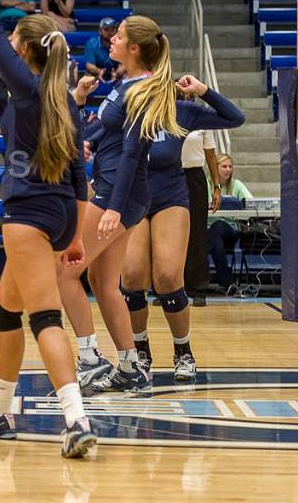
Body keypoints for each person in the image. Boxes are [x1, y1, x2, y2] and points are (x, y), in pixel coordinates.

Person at [0, 0, 96, 457]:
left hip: (30, 213)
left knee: (43, 317)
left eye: (13, 46)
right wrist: (78, 236)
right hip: (61, 212)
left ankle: (76, 420)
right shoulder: (63, 97)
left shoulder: (30, 86)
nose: (4, 49)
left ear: (23, 52)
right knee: (3, 309)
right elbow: (82, 177)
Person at [56, 12, 183, 396]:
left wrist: (112, 208)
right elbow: (104, 134)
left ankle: (90, 359)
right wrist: (80, 110)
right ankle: (129, 366)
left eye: (119, 36)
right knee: (102, 281)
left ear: (134, 48)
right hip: (117, 189)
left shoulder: (141, 90)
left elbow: (132, 153)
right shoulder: (125, 83)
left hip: (117, 190)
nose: (110, 39)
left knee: (64, 270)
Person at [117, 77, 244, 384]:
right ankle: (141, 352)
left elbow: (235, 117)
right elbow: (96, 140)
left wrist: (203, 90)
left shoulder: (182, 110)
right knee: (132, 277)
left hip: (170, 194)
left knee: (168, 277)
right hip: (132, 195)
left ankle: (183, 352)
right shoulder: (125, 106)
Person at [182, 117, 222, 307]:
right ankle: (170, 287)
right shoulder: (163, 111)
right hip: (169, 176)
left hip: (195, 178)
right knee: (170, 235)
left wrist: (216, 187)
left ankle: (198, 288)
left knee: (197, 234)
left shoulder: (201, 118)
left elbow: (211, 157)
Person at [207, 154, 253, 293]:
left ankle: (212, 280)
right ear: (215, 168)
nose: (228, 170)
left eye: (230, 166)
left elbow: (250, 203)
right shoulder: (205, 183)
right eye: (224, 166)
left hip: (229, 231)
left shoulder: (237, 185)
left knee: (218, 226)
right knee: (211, 234)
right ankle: (227, 282)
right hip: (207, 231)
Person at [83, 17, 123, 82]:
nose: (110, 32)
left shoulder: (120, 42)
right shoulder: (91, 43)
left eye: (112, 29)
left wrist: (117, 74)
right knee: (88, 76)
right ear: (100, 31)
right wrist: (100, 72)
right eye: (106, 29)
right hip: (97, 74)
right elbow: (89, 65)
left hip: (116, 73)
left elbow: (123, 63)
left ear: (116, 30)